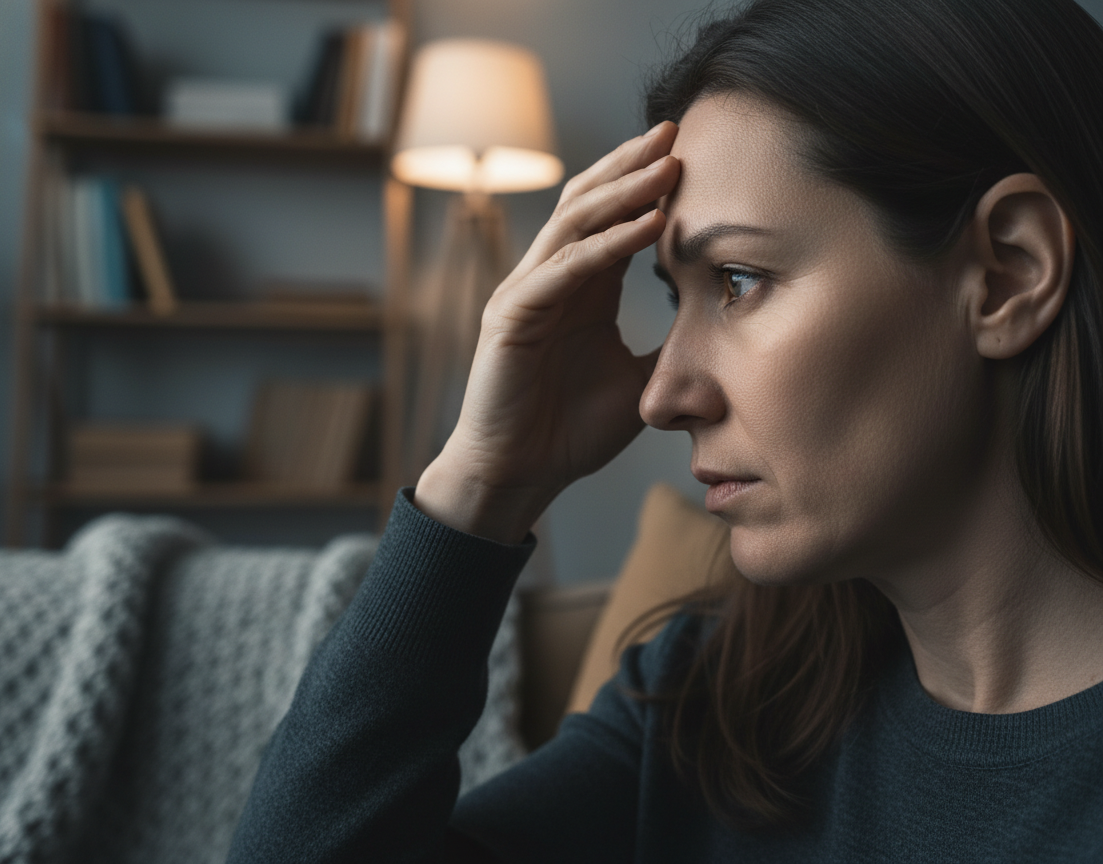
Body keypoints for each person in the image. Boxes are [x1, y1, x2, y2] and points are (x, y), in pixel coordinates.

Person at [227, 0, 1103, 859]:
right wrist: (480, 487)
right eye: (671, 294)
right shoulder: (712, 704)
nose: (663, 396)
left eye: (737, 279)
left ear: (1007, 273)